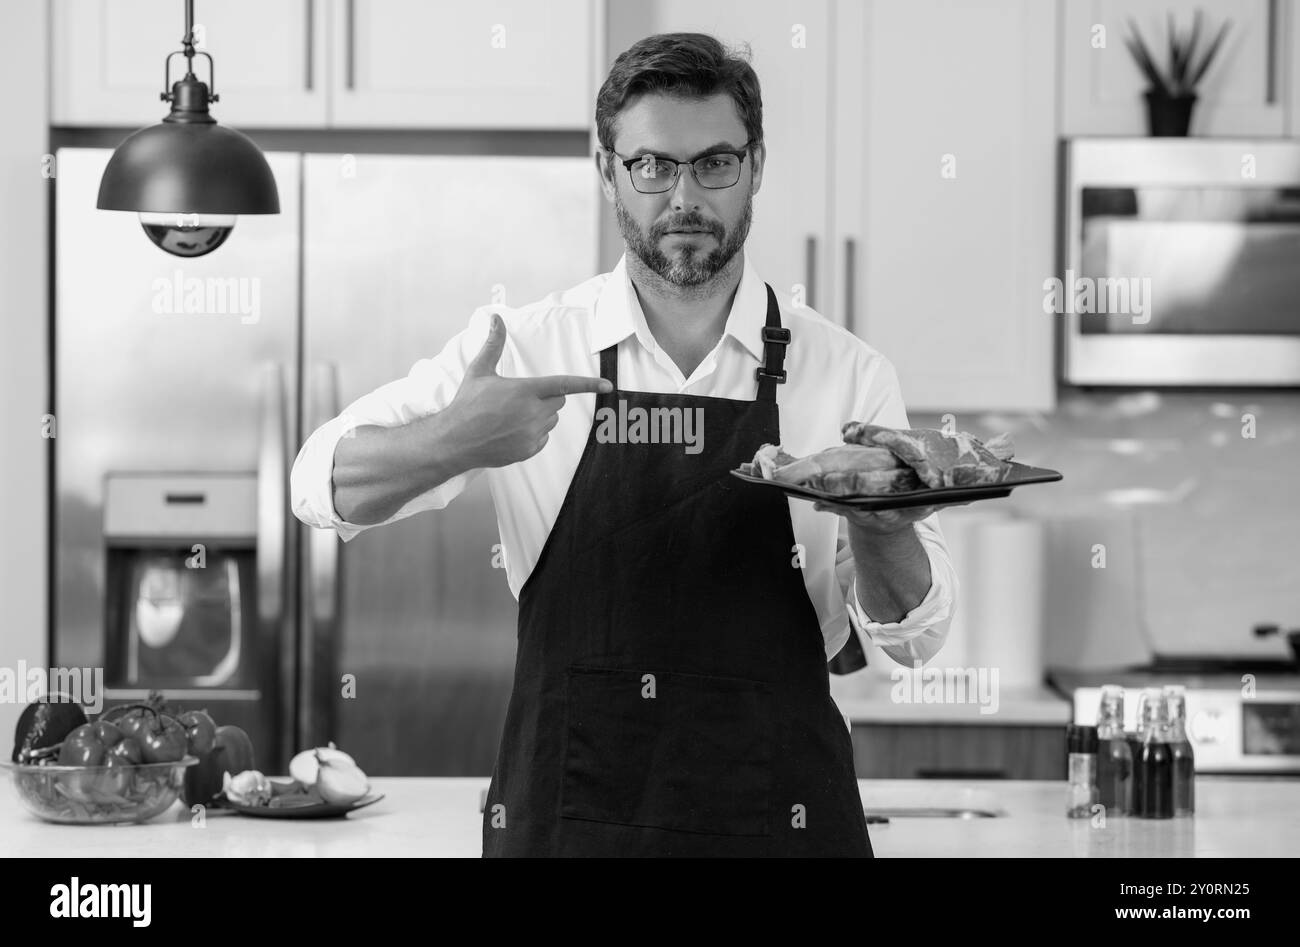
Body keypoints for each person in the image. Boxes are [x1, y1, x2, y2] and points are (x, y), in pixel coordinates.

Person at [291, 33, 957, 857]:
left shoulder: (847, 375)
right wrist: (457, 439)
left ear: (756, 166)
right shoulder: (528, 349)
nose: (684, 195)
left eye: (715, 162)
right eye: (652, 165)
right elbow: (317, 483)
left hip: (781, 821)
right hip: (569, 825)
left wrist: (883, 522)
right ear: (607, 170)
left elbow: (913, 637)